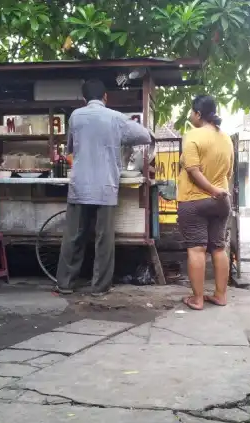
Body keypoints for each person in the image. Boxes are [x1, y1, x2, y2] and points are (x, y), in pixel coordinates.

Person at [56, 79, 152, 296]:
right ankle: (99, 287)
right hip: (106, 186)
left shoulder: (76, 116)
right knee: (104, 239)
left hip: (80, 185)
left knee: (73, 237)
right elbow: (145, 135)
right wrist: (120, 139)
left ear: (84, 99)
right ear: (105, 97)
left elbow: (71, 148)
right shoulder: (116, 118)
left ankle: (65, 284)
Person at [177, 95, 233, 310]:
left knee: (197, 249)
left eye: (192, 112)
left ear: (198, 114)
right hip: (221, 201)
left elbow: (192, 170)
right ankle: (220, 296)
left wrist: (211, 190)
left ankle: (197, 299)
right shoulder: (226, 138)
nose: (191, 115)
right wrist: (219, 192)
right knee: (218, 248)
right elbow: (228, 171)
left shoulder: (192, 135)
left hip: (195, 199)